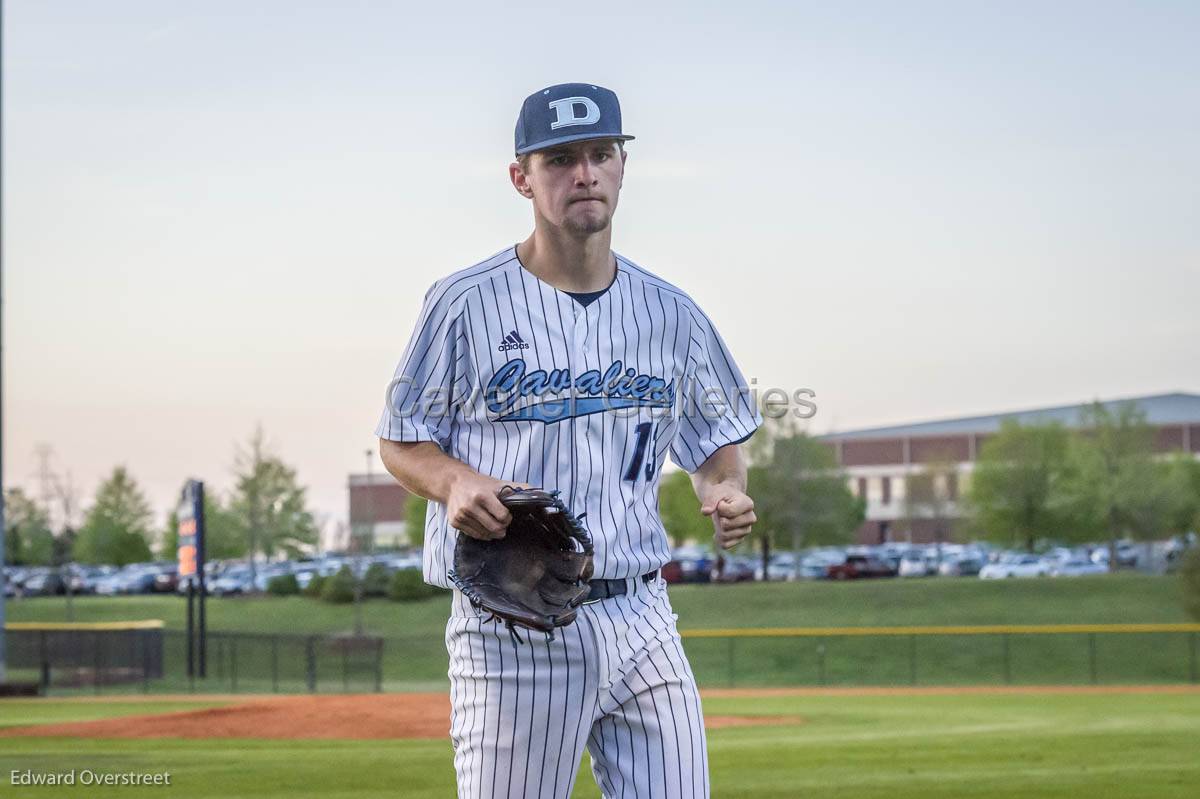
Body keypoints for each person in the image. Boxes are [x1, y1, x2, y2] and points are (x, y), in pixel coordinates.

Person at [376, 82, 760, 799]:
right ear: (522, 176)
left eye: (600, 154)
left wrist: (726, 489)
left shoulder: (672, 314)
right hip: (513, 624)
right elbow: (402, 441)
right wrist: (455, 481)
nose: (584, 173)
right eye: (560, 160)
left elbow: (713, 444)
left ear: (621, 166)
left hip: (643, 614)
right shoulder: (464, 304)